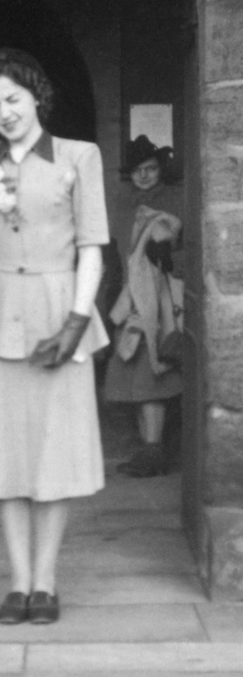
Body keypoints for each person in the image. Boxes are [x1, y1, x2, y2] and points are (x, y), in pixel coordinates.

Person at [0, 48, 110, 624]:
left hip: (58, 308)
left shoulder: (79, 156)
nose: (4, 112)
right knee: (6, 454)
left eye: (14, 99)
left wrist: (76, 321)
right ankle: (17, 582)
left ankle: (47, 582)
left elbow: (92, 246)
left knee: (55, 454)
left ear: (37, 96)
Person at [104, 135, 184, 478]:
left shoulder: (173, 201)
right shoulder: (122, 204)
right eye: (138, 171)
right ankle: (147, 449)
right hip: (128, 297)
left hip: (157, 298)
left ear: (159, 170)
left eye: (150, 169)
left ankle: (154, 450)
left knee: (151, 374)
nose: (145, 176)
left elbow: (179, 250)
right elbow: (115, 254)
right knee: (134, 374)